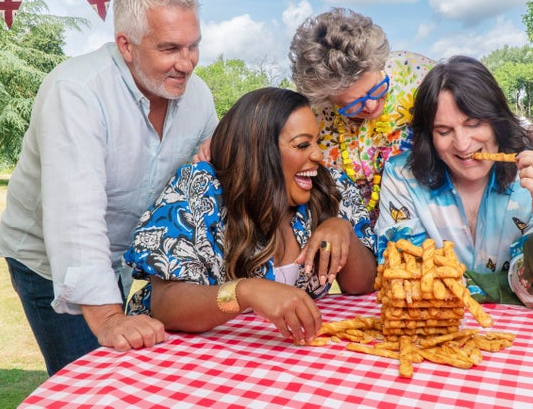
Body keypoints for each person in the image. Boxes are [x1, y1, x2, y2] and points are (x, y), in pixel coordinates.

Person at [0, 0, 218, 375]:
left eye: (193, 45)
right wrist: (111, 319)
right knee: (89, 379)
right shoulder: (76, 90)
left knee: (130, 374)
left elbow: (215, 173)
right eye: (169, 48)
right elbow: (74, 216)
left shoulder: (197, 95)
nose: (187, 63)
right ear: (126, 44)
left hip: (121, 256)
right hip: (46, 261)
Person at [124, 87, 377, 344]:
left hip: (280, 358)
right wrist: (245, 291)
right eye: (302, 144)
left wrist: (342, 228)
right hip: (190, 360)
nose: (318, 154)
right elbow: (166, 304)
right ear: (258, 150)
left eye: (316, 142)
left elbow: (362, 285)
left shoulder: (330, 187)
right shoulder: (199, 190)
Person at [288, 8, 533, 224]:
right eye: (354, 106)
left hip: (430, 226)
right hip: (356, 241)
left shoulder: (416, 73)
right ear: (328, 100)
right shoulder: (316, 119)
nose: (373, 106)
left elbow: (479, 115)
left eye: (378, 89)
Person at [374, 55, 533, 309]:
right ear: (428, 136)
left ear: (497, 121)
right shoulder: (402, 175)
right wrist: (503, 287)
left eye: (474, 124)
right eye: (444, 131)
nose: (462, 144)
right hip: (433, 334)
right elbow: (404, 277)